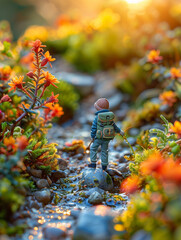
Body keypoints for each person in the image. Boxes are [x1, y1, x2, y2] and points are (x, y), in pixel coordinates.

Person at [89, 98, 124, 171]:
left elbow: (94, 128)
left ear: (98, 108)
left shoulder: (97, 117)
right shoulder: (110, 116)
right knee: (104, 150)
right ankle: (104, 166)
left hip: (99, 137)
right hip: (107, 137)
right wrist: (120, 131)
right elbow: (114, 125)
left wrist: (92, 136)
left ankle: (93, 164)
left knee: (93, 148)